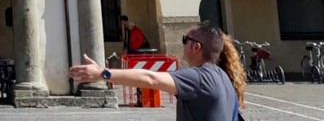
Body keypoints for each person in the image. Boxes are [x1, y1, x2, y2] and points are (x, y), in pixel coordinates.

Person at [70, 21, 246, 121]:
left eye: (185, 39)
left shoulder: (198, 78)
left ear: (195, 47)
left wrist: (103, 74)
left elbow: (150, 78)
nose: (183, 43)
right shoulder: (224, 77)